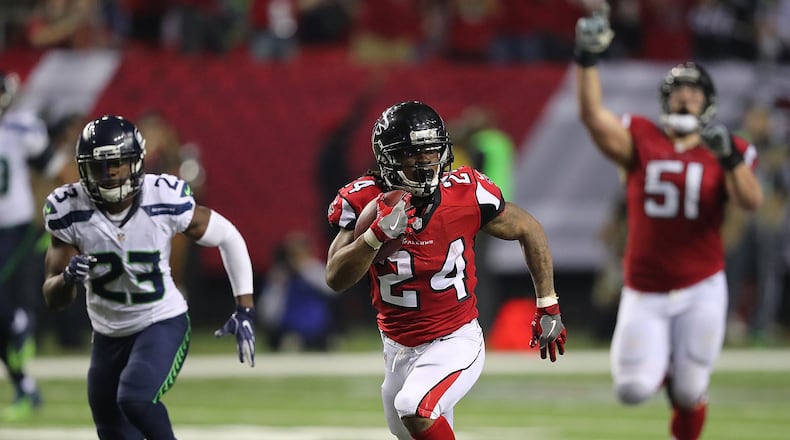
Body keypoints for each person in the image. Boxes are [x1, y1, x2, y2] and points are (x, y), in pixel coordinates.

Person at [574, 5, 764, 440]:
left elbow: (751, 201)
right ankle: (665, 369)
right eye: (678, 91)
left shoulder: (728, 148)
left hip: (701, 284)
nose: (685, 98)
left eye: (694, 92)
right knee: (632, 389)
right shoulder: (641, 136)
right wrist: (586, 58)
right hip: (645, 286)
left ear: (709, 101)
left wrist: (730, 157)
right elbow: (592, 117)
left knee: (691, 387)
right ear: (664, 99)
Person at [325, 101, 566, 440]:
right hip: (397, 346)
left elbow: (529, 229)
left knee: (414, 407)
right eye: (413, 153)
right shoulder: (363, 199)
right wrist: (375, 236)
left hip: (454, 339)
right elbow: (335, 277)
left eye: (432, 151)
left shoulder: (465, 192)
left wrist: (548, 304)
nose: (426, 162)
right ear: (389, 158)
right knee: (413, 424)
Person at [41, 115, 256, 439]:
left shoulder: (163, 197)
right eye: (100, 165)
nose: (110, 173)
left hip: (161, 321)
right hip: (107, 334)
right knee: (112, 430)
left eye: (118, 163)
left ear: (137, 163)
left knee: (136, 398)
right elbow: (53, 297)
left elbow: (228, 236)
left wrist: (245, 308)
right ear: (83, 169)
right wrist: (68, 279)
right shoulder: (68, 208)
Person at [0, 70, 70, 422]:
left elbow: (58, 170)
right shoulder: (17, 129)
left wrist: (69, 211)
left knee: (5, 314)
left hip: (14, 229)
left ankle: (20, 322)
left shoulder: (18, 129)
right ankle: (26, 387)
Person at [258, 231, 336, 351]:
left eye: (299, 254)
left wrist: (305, 270)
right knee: (284, 341)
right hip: (289, 327)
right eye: (292, 255)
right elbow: (267, 310)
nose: (296, 259)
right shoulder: (280, 276)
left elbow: (332, 290)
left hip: (316, 328)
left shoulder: (315, 270)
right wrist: (277, 285)